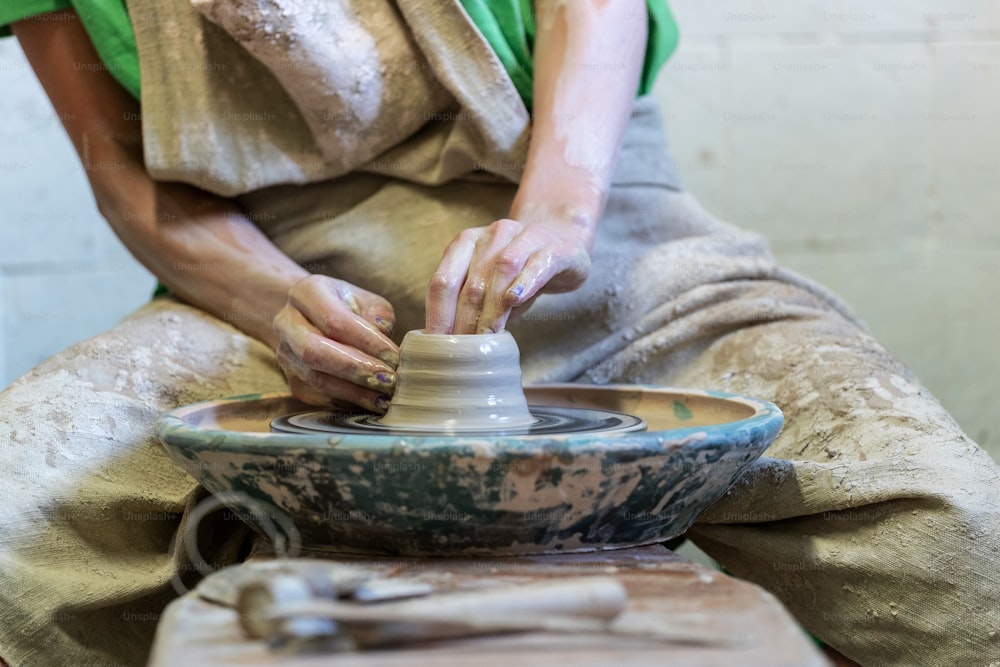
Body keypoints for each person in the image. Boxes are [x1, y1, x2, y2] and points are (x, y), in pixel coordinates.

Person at [1, 1, 997, 666]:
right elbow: (133, 183)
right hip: (277, 276)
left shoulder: (580, 212)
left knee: (949, 520)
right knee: (17, 526)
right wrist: (275, 303)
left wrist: (559, 212)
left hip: (599, 225)